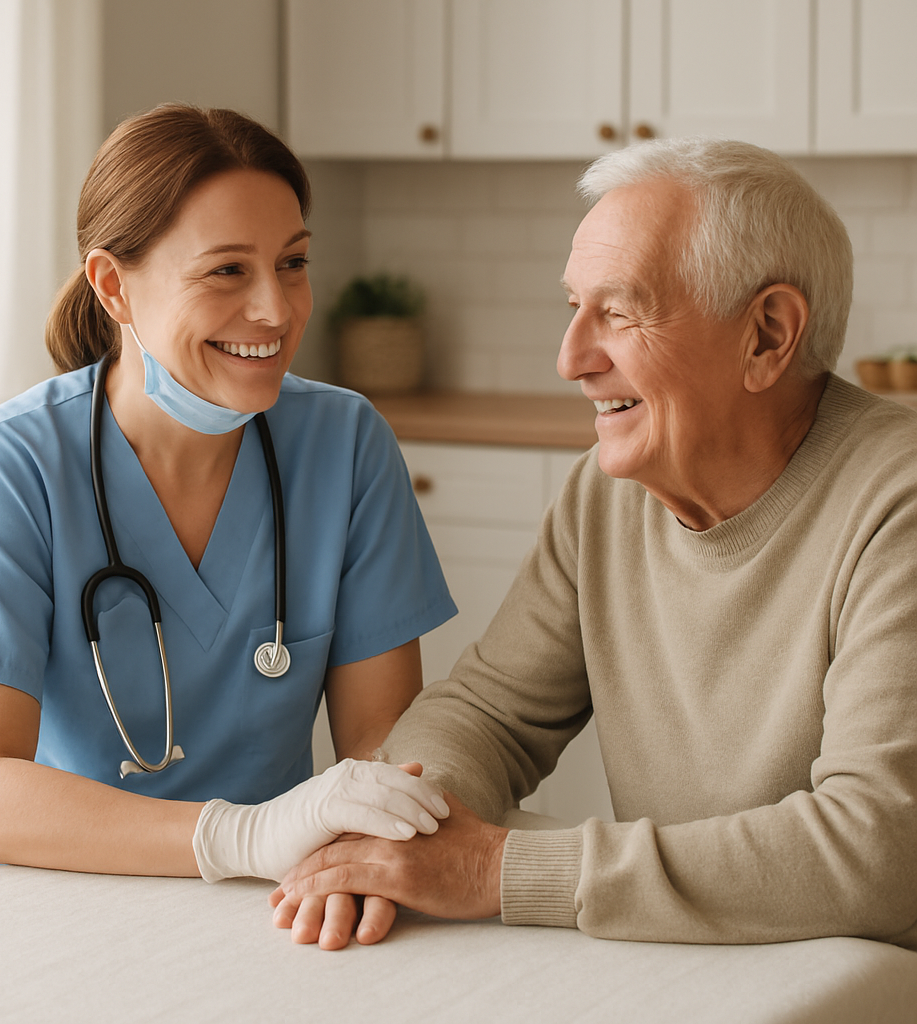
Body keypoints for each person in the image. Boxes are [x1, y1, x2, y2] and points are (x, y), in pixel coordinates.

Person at [272, 137, 917, 951]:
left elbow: (880, 851)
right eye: (573, 307)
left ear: (767, 335)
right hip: (696, 968)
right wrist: (399, 829)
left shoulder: (898, 503)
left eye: (618, 312)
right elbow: (487, 713)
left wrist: (497, 870)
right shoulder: (604, 494)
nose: (571, 358)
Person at [0, 105, 457, 910]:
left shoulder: (345, 443)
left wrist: (360, 846)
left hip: (252, 901)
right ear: (113, 286)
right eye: (228, 270)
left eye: (292, 262)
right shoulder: (11, 465)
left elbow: (382, 747)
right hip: (13, 897)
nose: (275, 308)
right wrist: (243, 837)